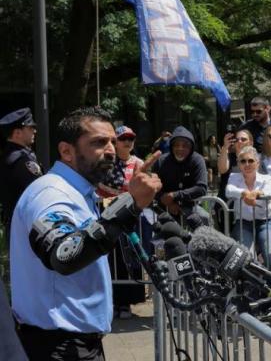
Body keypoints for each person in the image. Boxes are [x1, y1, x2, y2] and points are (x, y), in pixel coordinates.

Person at [10, 106, 162, 360]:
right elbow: (65, 254)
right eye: (99, 142)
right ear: (67, 151)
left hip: (77, 344)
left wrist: (130, 201)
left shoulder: (78, 192)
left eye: (113, 142)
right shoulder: (51, 194)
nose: (112, 150)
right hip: (59, 346)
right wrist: (132, 205)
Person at [96, 125, 145, 320]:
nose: (127, 142)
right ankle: (110, 302)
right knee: (108, 259)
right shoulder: (105, 163)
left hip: (129, 217)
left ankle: (126, 302)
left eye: (131, 138)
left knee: (127, 259)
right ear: (115, 141)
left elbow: (141, 186)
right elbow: (97, 184)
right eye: (123, 138)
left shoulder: (138, 163)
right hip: (106, 217)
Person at [226, 146, 271, 273]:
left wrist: (255, 193)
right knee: (245, 258)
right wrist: (244, 193)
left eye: (250, 160)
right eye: (243, 161)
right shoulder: (234, 176)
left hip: (264, 222)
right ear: (238, 164)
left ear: (257, 163)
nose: (247, 164)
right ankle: (251, 291)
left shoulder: (267, 178)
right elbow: (228, 191)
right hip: (243, 223)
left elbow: (268, 192)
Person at [0, 107, 43, 246]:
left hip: (18, 226)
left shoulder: (12, 156)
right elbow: (39, 194)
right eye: (30, 128)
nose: (34, 131)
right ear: (17, 133)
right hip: (25, 228)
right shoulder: (21, 161)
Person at [152, 126, 210, 222]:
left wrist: (175, 195)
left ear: (191, 147)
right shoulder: (161, 161)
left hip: (191, 207)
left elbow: (201, 187)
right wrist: (168, 203)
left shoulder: (197, 160)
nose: (180, 148)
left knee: (205, 218)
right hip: (164, 209)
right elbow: (153, 188)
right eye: (176, 145)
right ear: (171, 146)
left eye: (185, 145)